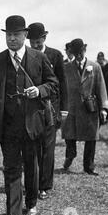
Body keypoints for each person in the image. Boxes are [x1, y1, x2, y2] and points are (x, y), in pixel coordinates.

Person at [0, 15, 58, 215]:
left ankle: (32, 201)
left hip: (33, 124)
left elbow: (53, 84)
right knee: (12, 168)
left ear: (25, 35)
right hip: (7, 126)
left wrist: (39, 90)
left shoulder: (38, 58)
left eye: (16, 35)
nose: (12, 39)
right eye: (9, 35)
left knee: (32, 166)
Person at [27, 22, 67, 201]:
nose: (35, 45)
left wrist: (64, 109)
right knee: (33, 147)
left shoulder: (55, 55)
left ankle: (44, 185)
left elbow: (62, 83)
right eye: (32, 42)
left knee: (48, 148)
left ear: (44, 38)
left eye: (37, 41)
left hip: (51, 107)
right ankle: (33, 183)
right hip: (32, 109)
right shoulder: (25, 56)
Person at [61, 38, 108, 176]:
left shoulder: (95, 67)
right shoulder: (66, 68)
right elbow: (62, 88)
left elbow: (101, 87)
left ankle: (89, 167)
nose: (79, 55)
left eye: (81, 52)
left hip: (89, 108)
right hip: (72, 108)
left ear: (85, 50)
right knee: (69, 136)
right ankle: (70, 155)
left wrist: (104, 108)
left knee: (91, 138)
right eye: (76, 53)